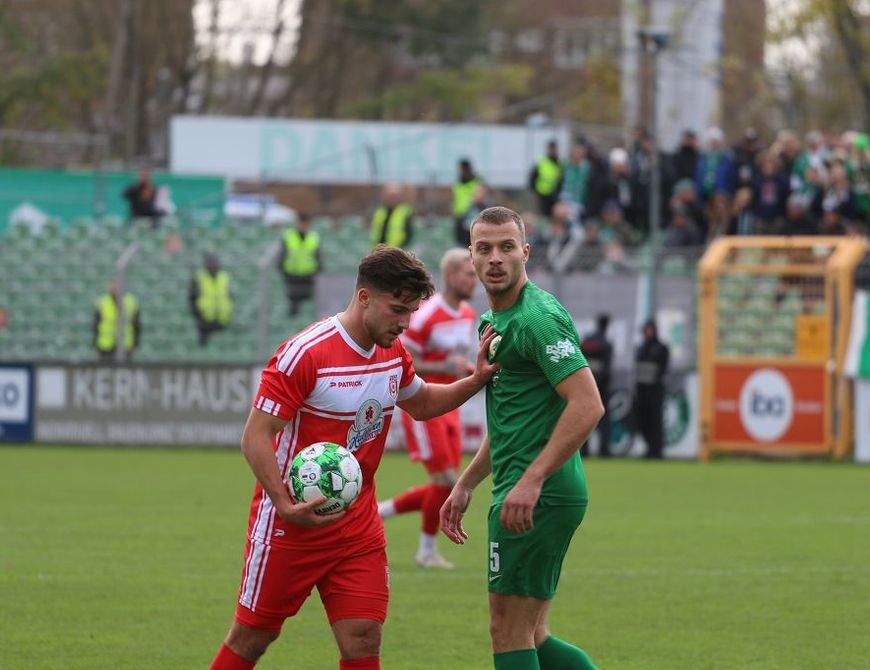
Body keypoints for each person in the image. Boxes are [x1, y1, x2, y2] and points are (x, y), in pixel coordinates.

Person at [209, 245, 499, 670]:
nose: (404, 323)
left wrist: (475, 380)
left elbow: (421, 403)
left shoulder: (392, 353)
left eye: (411, 313)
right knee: (253, 637)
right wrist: (286, 505)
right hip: (291, 525)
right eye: (397, 309)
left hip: (357, 527)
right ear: (364, 297)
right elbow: (255, 436)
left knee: (363, 638)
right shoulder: (306, 353)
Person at [440, 206, 604, 670]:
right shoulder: (492, 324)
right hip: (533, 488)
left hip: (537, 493)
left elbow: (588, 404)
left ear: (525, 253)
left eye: (506, 247)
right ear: (470, 257)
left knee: (506, 629)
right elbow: (512, 421)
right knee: (531, 631)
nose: (495, 258)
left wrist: (531, 480)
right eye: (484, 248)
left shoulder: (537, 318)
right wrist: (466, 482)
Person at [378, 248, 479, 569]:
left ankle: (379, 512)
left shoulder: (467, 315)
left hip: (451, 403)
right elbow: (405, 359)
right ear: (450, 276)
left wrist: (459, 367)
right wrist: (442, 363)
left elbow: (452, 360)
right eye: (468, 274)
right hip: (424, 402)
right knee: (447, 480)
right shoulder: (426, 315)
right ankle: (426, 550)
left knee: (447, 482)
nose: (473, 280)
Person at [634, 319, 670, 460]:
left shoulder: (661, 348)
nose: (648, 332)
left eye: (650, 329)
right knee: (644, 421)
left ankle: (657, 450)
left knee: (656, 421)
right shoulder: (641, 348)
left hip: (655, 390)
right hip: (642, 390)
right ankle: (649, 448)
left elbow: (663, 369)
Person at [580, 313, 613, 457]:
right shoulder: (606, 343)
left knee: (585, 417)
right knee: (604, 419)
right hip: (602, 386)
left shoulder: (587, 341)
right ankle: (604, 449)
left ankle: (584, 449)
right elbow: (607, 367)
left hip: (586, 383)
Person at [278, 213, 321, 316]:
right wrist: (283, 271)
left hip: (308, 276)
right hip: (291, 276)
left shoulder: (314, 237)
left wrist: (317, 272)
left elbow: (318, 257)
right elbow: (282, 255)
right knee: (293, 305)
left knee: (308, 306)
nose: (303, 226)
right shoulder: (288, 236)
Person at [189, 253, 233, 347]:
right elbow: (192, 298)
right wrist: (198, 315)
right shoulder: (199, 277)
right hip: (204, 320)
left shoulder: (224, 277)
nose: (214, 266)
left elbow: (229, 297)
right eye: (211, 263)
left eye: (215, 263)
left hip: (222, 320)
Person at [93, 279, 140, 361]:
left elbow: (137, 325)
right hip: (105, 345)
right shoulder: (103, 301)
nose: (116, 288)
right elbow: (96, 323)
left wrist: (135, 343)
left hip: (125, 345)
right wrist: (95, 342)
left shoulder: (131, 301)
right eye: (114, 285)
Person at [370, 183, 414, 250]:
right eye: (390, 195)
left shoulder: (405, 211)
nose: (392, 198)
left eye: (394, 195)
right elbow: (375, 231)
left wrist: (402, 249)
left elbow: (410, 233)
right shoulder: (380, 211)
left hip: (398, 251)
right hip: (379, 250)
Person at [529, 140, 564, 217]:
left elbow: (561, 179)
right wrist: (536, 191)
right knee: (542, 216)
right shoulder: (542, 162)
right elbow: (532, 178)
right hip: (542, 195)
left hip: (555, 195)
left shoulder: (560, 163)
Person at [453, 158, 483, 242]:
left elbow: (479, 197)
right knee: (460, 242)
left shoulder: (477, 182)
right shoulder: (458, 182)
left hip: (471, 215)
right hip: (460, 216)